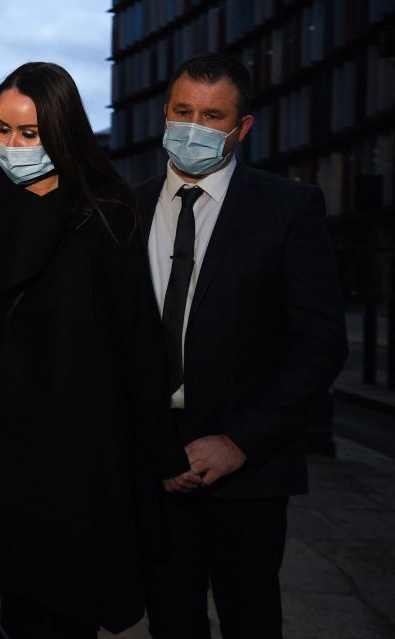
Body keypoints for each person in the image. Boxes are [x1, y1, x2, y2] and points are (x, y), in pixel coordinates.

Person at [0, 62, 173, 638]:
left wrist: (158, 453)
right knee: (17, 609)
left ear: (62, 131)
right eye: (2, 130)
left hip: (82, 459)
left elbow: (138, 342)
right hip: (3, 452)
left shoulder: (107, 211)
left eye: (30, 133)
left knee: (70, 615)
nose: (14, 145)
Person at [136, 53, 347, 639]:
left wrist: (239, 441)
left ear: (242, 128)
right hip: (153, 467)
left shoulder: (288, 209)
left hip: (248, 472)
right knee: (170, 623)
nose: (194, 128)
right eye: (183, 111)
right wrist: (151, 445)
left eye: (212, 116)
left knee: (250, 621)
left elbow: (320, 345)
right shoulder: (125, 211)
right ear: (164, 114)